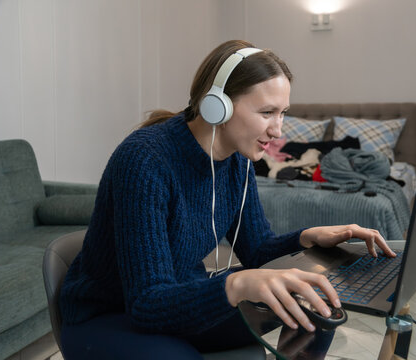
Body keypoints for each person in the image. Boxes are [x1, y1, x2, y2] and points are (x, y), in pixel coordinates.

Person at [59, 39, 396, 359]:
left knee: (311, 307)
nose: (278, 131)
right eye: (267, 113)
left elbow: (257, 248)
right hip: (108, 314)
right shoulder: (144, 161)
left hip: (177, 297)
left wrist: (307, 237)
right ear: (216, 106)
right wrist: (234, 285)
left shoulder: (238, 160)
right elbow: (147, 304)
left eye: (283, 113)